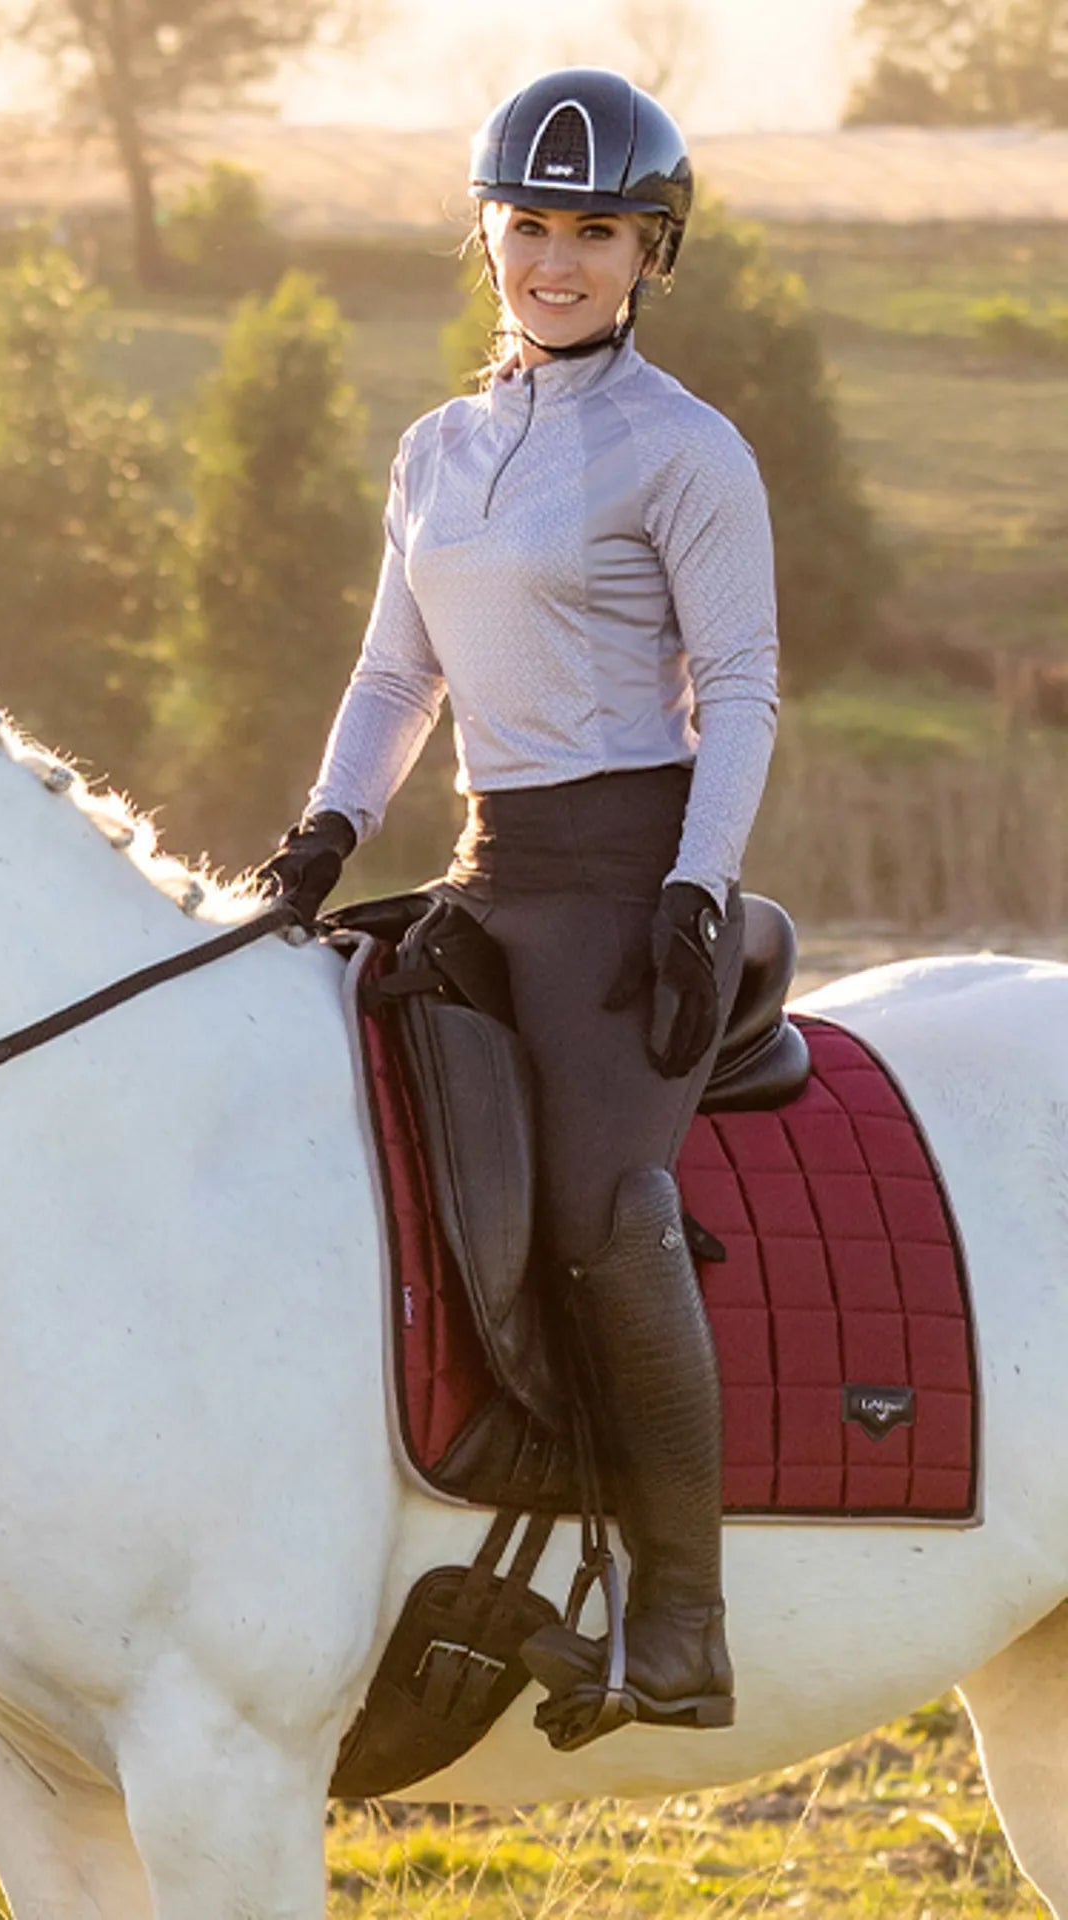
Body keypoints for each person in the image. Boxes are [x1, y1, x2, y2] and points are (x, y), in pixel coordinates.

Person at [256, 68, 779, 1748]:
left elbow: (745, 690)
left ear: (651, 250)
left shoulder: (686, 450)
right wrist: (328, 830)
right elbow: (396, 670)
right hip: (492, 869)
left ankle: (683, 1627)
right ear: (488, 238)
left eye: (596, 231)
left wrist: (697, 891)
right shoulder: (436, 448)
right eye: (530, 226)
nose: (557, 260)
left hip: (631, 887)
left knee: (607, 1220)